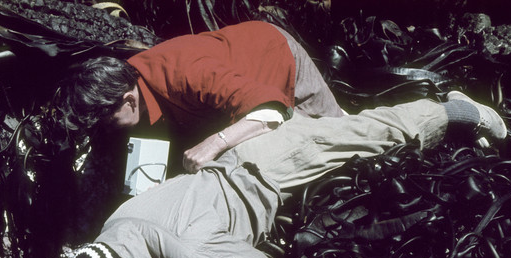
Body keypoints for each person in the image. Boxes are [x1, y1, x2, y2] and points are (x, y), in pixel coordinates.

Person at [60, 91, 507, 258]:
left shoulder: (190, 255)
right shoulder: (113, 229)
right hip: (238, 166)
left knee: (375, 134)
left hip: (271, 168)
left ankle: (459, 111)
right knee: (353, 130)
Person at [54, 21, 344, 173]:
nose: (105, 128)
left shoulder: (186, 74)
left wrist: (213, 144)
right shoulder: (128, 88)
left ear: (129, 100)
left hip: (275, 58)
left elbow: (271, 110)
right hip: (223, 89)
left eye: (106, 120)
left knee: (338, 137)